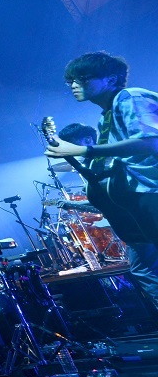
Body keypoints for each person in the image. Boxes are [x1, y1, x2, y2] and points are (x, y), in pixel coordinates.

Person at [44, 51, 158, 318]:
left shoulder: (130, 97)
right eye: (70, 80)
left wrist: (87, 152)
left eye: (82, 78)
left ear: (111, 79)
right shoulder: (105, 116)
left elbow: (151, 142)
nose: (74, 85)